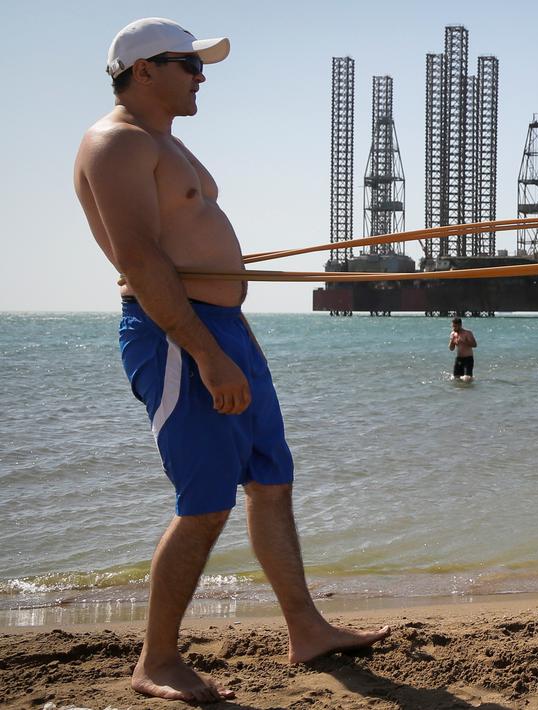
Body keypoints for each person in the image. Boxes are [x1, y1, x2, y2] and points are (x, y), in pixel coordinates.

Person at [73, 19, 389, 702]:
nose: (201, 76)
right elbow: (139, 259)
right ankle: (156, 660)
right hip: (178, 337)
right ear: (143, 70)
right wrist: (207, 354)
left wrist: (236, 339)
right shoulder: (116, 143)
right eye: (188, 64)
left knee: (271, 480)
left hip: (222, 330)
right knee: (205, 502)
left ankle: (306, 629)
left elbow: (195, 250)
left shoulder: (168, 143)